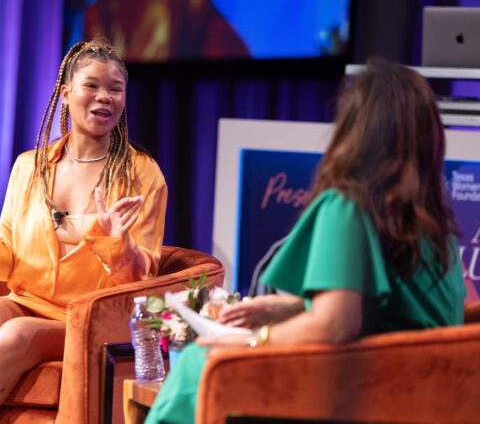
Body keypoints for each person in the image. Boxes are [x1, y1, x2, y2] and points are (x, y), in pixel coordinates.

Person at [145, 60, 465, 424]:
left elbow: (335, 324)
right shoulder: (438, 226)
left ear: (354, 131)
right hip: (422, 400)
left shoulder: (346, 204)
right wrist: (292, 309)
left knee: (197, 364)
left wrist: (253, 341)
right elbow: (392, 314)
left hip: (359, 398)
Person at [0, 37, 167, 424]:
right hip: (27, 298)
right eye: (92, 86)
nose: (104, 97)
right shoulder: (30, 166)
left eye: (115, 89)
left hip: (91, 319)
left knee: (15, 336)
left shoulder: (141, 174)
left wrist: (120, 246)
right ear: (66, 93)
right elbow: (3, 257)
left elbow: (144, 280)